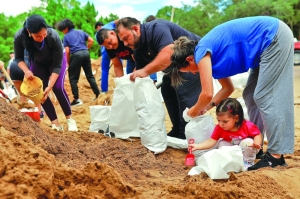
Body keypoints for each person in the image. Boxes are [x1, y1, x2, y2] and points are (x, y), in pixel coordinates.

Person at [168, 16, 294, 170]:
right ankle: (257, 147)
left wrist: (193, 111)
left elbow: (207, 93)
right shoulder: (212, 57)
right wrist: (206, 108)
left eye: (188, 70)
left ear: (190, 59)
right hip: (262, 47)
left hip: (273, 36)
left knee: (264, 95)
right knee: (250, 95)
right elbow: (228, 88)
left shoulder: (201, 51)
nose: (193, 73)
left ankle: (275, 157)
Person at [115, 17, 202, 139]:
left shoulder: (157, 28)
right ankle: (177, 130)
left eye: (126, 38)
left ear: (135, 29)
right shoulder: (138, 50)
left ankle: (188, 135)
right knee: (166, 89)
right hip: (175, 69)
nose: (125, 44)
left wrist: (145, 71)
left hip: (193, 62)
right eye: (122, 41)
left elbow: (168, 54)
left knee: (183, 92)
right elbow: (139, 75)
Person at [14, 14, 78, 131]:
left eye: (44, 34)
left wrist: (50, 85)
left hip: (56, 61)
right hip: (38, 62)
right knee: (40, 91)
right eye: (38, 36)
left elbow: (57, 65)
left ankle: (70, 120)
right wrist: (27, 71)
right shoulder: (20, 37)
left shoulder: (53, 35)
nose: (42, 38)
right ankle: (56, 124)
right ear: (29, 32)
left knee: (58, 87)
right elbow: (18, 58)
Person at [189, 98, 263, 168]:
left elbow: (257, 134)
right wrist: (198, 146)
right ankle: (231, 161)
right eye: (218, 120)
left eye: (225, 121)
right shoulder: (219, 128)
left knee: (247, 143)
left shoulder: (247, 125)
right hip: (233, 148)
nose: (221, 124)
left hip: (246, 150)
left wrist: (256, 143)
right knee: (221, 144)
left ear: (236, 118)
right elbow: (211, 141)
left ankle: (248, 163)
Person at [56, 18, 100, 106]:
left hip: (76, 55)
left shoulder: (66, 36)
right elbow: (91, 40)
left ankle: (76, 99)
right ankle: (98, 94)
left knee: (73, 79)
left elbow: (67, 51)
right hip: (86, 53)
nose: (63, 32)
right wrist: (86, 49)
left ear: (66, 28)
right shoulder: (81, 32)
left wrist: (68, 62)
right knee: (90, 75)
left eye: (63, 30)